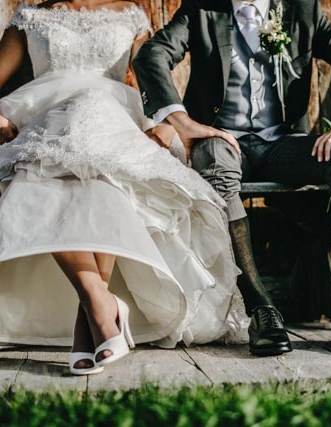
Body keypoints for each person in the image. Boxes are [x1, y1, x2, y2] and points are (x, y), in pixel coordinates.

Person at [0, 0, 246, 375]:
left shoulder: (131, 14)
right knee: (46, 166)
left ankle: (94, 315)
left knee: (103, 161)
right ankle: (100, 303)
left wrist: (168, 121)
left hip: (113, 111)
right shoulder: (29, 16)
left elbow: (147, 77)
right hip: (44, 111)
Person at [133, 0, 331, 355]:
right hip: (222, 138)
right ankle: (262, 310)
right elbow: (151, 55)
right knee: (215, 167)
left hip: (282, 144)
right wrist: (184, 123)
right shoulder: (202, 9)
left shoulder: (302, 10)